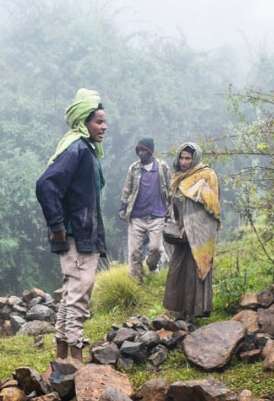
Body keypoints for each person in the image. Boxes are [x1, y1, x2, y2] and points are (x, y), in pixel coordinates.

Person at [35, 88, 108, 362]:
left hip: (83, 233)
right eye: (98, 121)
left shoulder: (86, 149)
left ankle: (62, 357)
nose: (103, 127)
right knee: (79, 294)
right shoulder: (77, 148)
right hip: (77, 234)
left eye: (103, 121)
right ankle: (76, 361)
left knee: (70, 294)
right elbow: (46, 184)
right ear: (83, 122)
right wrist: (57, 225)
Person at [163, 142, 220, 320]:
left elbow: (212, 206)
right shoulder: (178, 177)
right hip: (181, 231)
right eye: (181, 157)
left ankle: (194, 313)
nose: (184, 161)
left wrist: (194, 226)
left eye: (188, 158)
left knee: (195, 269)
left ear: (195, 158)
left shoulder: (207, 175)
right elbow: (175, 204)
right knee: (178, 268)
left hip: (200, 231)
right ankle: (178, 310)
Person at [119, 137, 171, 282]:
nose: (140, 153)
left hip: (157, 215)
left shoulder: (162, 167)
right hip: (137, 216)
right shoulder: (134, 168)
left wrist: (171, 207)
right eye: (138, 150)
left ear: (150, 152)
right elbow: (127, 188)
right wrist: (123, 207)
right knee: (135, 251)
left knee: (155, 248)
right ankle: (136, 282)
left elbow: (169, 187)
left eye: (143, 150)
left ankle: (152, 265)